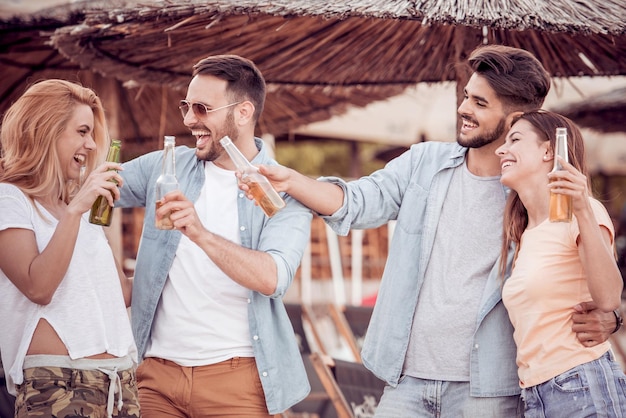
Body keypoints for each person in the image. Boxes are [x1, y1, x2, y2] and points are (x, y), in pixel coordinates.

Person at [241, 45, 621, 417]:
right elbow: (357, 201)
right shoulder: (425, 162)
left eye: (480, 103)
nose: (464, 109)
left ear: (514, 119)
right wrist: (292, 180)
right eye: (466, 96)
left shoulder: (529, 196)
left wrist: (614, 316)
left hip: (489, 387)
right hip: (405, 380)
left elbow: (566, 283)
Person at [116, 55, 313, 417]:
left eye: (202, 108)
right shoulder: (163, 166)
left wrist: (200, 234)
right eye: (185, 106)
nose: (189, 119)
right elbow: (86, 193)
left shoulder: (286, 191)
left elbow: (273, 277)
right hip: (155, 376)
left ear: (242, 112)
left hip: (237, 383)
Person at [0, 79, 139, 418]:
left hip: (120, 386)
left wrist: (171, 242)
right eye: (82, 131)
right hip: (57, 384)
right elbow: (39, 286)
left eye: (92, 134)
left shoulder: (77, 211)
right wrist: (77, 210)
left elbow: (119, 293)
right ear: (46, 132)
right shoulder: (10, 199)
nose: (91, 145)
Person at [496, 110, 626, 417]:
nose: (502, 150)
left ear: (549, 150)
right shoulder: (526, 232)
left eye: (514, 139)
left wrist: (580, 208)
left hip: (580, 383)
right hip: (536, 393)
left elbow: (608, 298)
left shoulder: (581, 212)